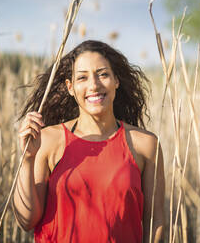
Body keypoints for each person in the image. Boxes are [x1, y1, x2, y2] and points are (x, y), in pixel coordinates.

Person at [13, 40, 165, 243]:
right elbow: (26, 220)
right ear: (70, 87)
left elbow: (155, 221)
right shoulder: (48, 140)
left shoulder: (145, 144)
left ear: (116, 80)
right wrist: (27, 160)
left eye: (102, 74)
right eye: (82, 77)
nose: (93, 85)